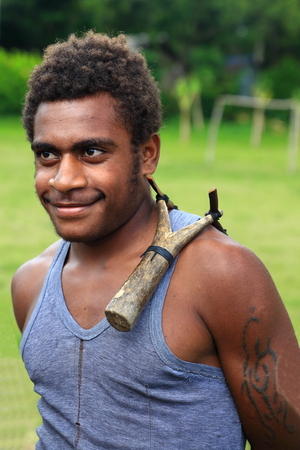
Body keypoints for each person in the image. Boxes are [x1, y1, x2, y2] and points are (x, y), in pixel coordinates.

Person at [12, 31, 300, 450]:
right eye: (47, 154)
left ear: (147, 154)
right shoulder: (31, 284)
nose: (63, 179)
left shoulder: (220, 275)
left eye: (92, 152)